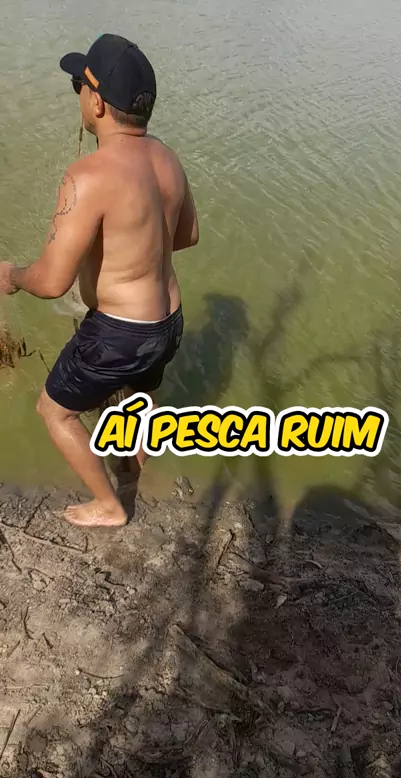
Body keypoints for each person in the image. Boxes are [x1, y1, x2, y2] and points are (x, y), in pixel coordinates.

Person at [0, 34, 199, 527]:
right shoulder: (167, 157)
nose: (79, 97)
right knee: (139, 398)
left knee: (54, 412)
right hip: (168, 321)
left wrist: (13, 276)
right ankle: (136, 467)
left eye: (79, 87)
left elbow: (52, 281)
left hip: (119, 333)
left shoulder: (86, 175)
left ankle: (110, 505)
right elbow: (187, 235)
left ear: (97, 103)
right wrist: (132, 251)